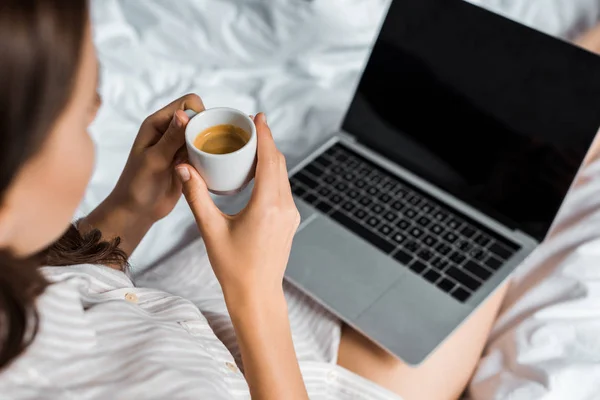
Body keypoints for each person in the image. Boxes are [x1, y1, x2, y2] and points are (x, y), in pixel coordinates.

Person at [1, 1, 596, 399]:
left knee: (452, 145)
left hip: (184, 293)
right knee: (512, 186)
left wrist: (124, 217)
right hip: (323, 372)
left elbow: (55, 303)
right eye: (83, 116)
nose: (99, 120)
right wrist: (255, 295)